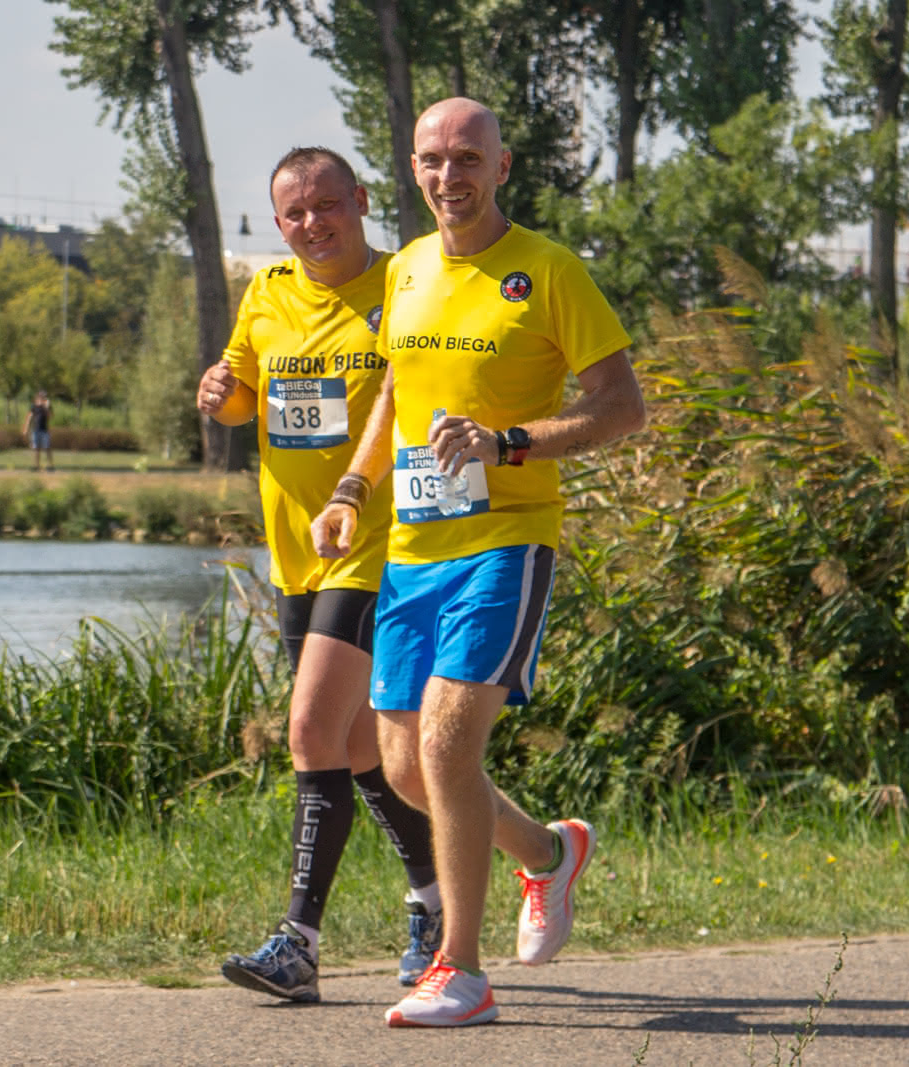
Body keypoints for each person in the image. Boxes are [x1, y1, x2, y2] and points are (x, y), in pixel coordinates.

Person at [311, 97, 648, 1028]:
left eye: (467, 158)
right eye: (431, 159)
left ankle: (461, 969)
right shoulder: (409, 268)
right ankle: (549, 853)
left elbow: (623, 407)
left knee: (451, 745)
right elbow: (393, 394)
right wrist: (350, 490)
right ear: (412, 170)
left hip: (507, 541)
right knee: (410, 770)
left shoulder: (547, 271)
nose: (448, 176)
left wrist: (509, 444)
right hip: (412, 549)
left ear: (502, 167)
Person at [197, 146, 441, 1004]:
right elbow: (240, 395)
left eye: (327, 206)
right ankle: (438, 899)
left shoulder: (405, 283)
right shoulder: (267, 291)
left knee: (308, 731)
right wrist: (220, 392)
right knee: (358, 746)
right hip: (296, 549)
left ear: (362, 201)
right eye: (295, 214)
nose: (312, 225)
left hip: (380, 540)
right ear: (278, 224)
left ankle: (297, 942)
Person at [23, 390, 54, 471]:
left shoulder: (47, 407)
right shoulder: (34, 406)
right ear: (38, 397)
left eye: (44, 397)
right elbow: (29, 417)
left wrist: (46, 407)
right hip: (35, 430)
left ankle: (50, 466)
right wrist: (26, 428)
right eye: (42, 396)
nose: (44, 398)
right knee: (36, 449)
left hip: (44, 430)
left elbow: (50, 417)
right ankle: (36, 466)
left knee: (47, 448)